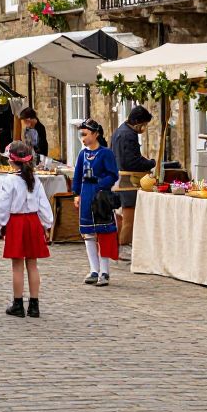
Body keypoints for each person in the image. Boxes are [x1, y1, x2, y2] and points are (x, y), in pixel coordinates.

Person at [0, 141, 53, 318]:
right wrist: (47, 224)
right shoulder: (35, 179)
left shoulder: (10, 181)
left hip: (17, 222)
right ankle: (34, 306)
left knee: (17, 266)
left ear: (11, 161)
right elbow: (43, 204)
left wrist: (1, 223)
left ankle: (18, 304)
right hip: (33, 221)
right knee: (32, 264)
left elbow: (3, 206)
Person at [72, 119, 120, 287]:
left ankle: (104, 272)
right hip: (86, 194)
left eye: (85, 134)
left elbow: (113, 174)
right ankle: (94, 270)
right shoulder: (82, 154)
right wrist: (76, 193)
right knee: (88, 234)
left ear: (95, 134)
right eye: (81, 135)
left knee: (103, 233)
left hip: (101, 197)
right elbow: (77, 175)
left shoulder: (106, 153)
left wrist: (100, 184)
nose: (83, 138)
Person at [110, 104, 156, 249]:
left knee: (122, 219)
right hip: (128, 183)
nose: (144, 127)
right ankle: (122, 247)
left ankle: (120, 246)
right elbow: (131, 162)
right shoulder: (129, 135)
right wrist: (150, 163)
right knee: (129, 221)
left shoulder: (119, 131)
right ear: (137, 122)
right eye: (144, 124)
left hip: (119, 180)